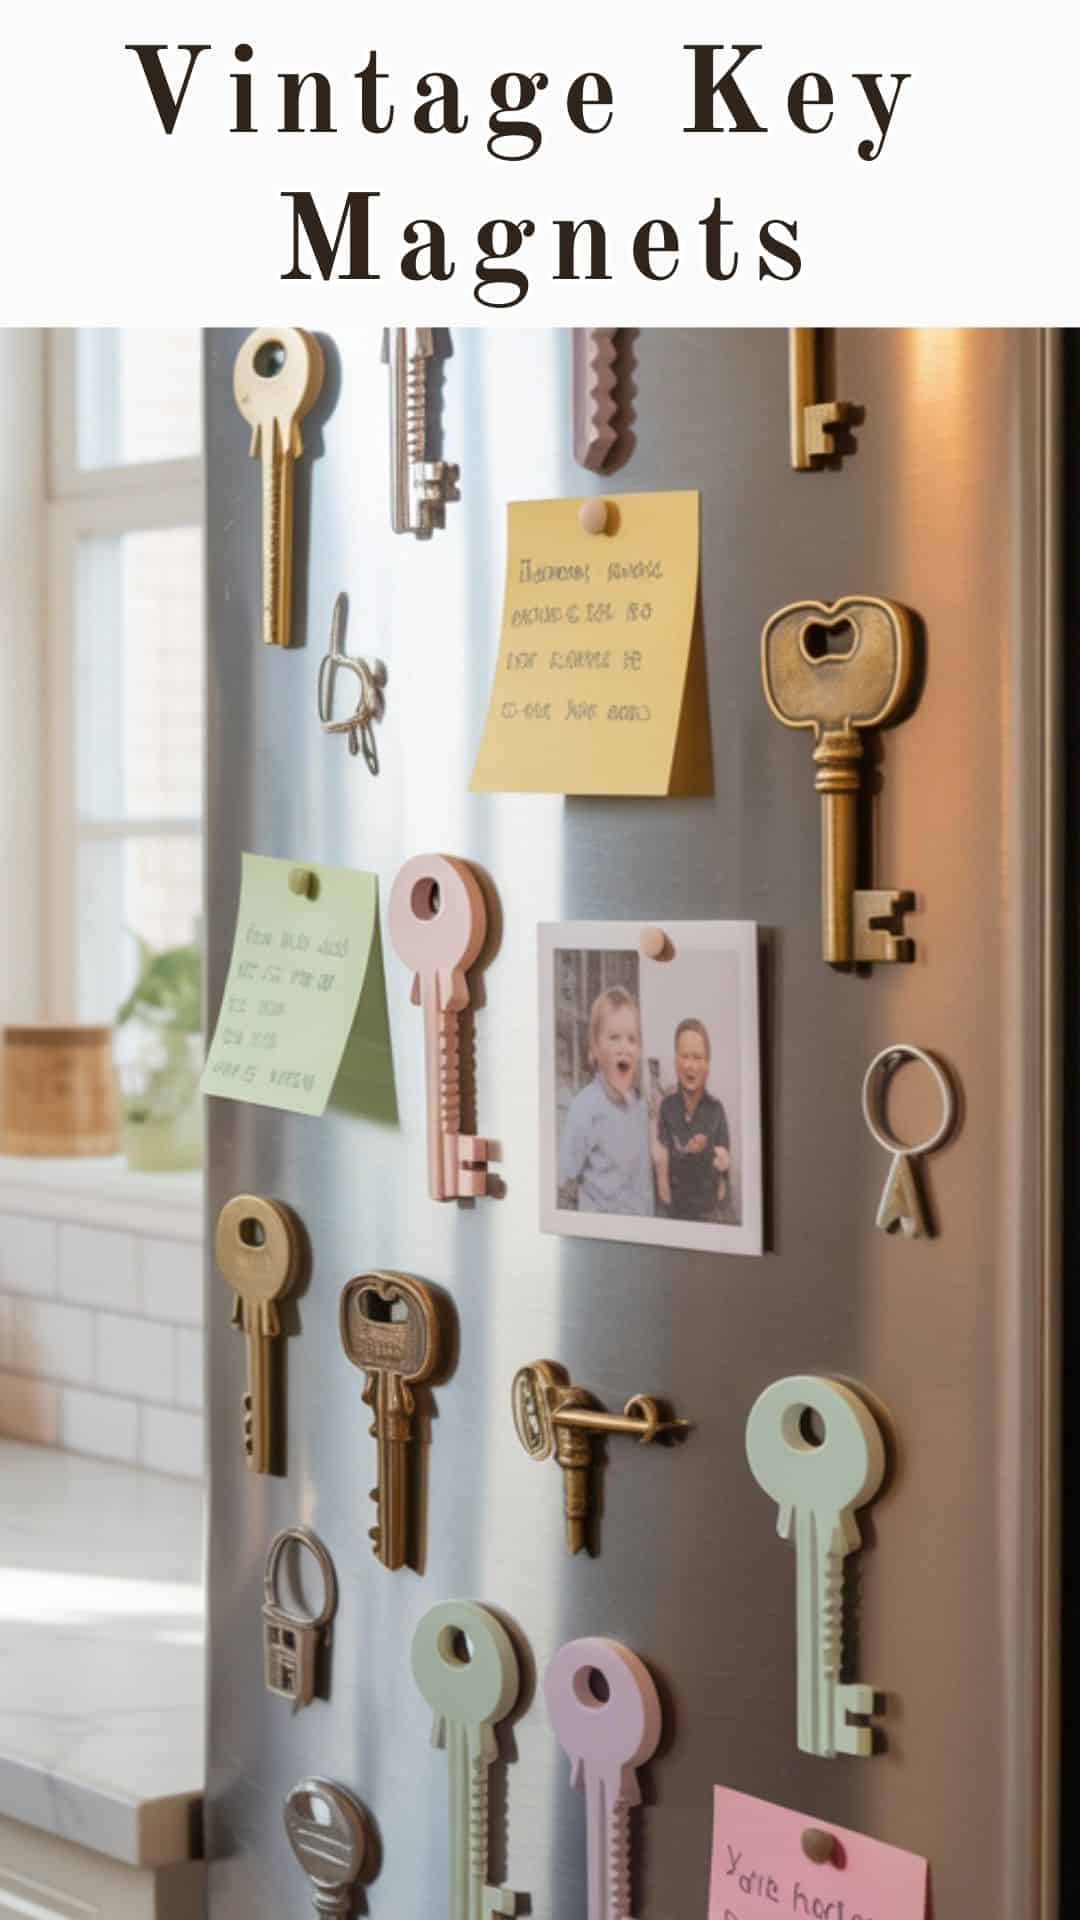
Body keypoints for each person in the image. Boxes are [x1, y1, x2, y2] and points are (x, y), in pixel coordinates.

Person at [558, 986, 655, 1215]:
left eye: (632, 1039)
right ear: (595, 1049)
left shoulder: (640, 1107)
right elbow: (566, 1182)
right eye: (614, 1037)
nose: (624, 1047)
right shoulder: (584, 1108)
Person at [654, 1018, 731, 1222]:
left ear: (707, 1064)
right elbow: (661, 1161)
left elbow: (724, 1172)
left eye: (698, 1057)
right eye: (684, 1056)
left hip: (709, 1215)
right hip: (674, 1214)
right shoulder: (666, 1107)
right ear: (675, 1061)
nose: (690, 1065)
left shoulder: (717, 1110)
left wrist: (722, 1161)